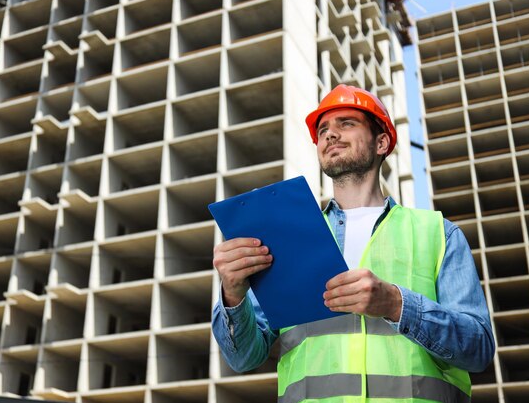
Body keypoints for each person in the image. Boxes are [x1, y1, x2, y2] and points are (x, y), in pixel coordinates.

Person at [211, 84, 495, 402]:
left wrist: (395, 304)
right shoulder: (287, 238)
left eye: (346, 123)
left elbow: (479, 350)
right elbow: (244, 358)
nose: (330, 134)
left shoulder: (437, 234)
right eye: (322, 130)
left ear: (382, 142)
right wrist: (233, 295)